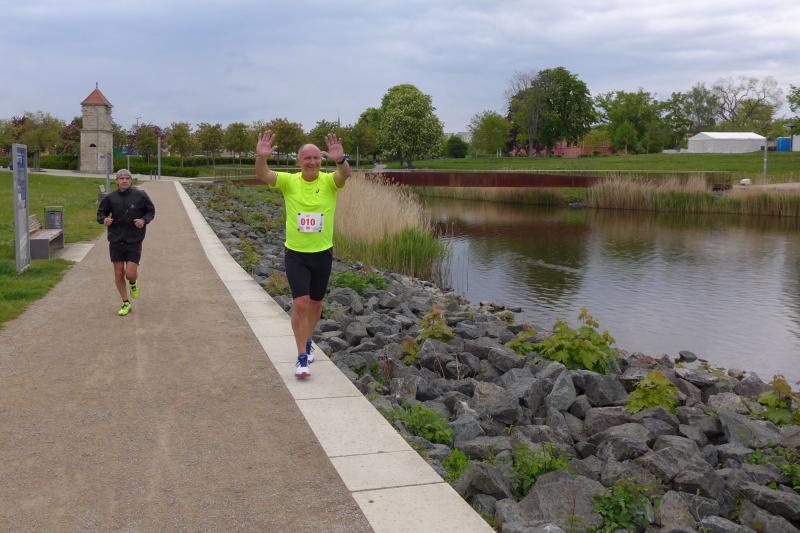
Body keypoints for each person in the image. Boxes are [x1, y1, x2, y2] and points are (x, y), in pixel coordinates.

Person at [255, 131, 351, 379]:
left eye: (316, 158)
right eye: (307, 158)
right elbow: (263, 175)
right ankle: (301, 359)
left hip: (322, 253)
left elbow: (344, 175)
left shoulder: (329, 182)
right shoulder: (289, 181)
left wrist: (341, 160)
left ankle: (308, 340)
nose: (312, 162)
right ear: (298, 161)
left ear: (321, 160)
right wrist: (261, 157)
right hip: (296, 254)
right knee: (300, 303)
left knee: (316, 303)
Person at [96, 169, 156, 316]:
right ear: (117, 181)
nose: (124, 180)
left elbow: (150, 211)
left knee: (129, 274)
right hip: (116, 239)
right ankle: (125, 302)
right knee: (118, 273)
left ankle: (133, 283)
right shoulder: (110, 198)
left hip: (134, 239)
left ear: (131, 180)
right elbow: (100, 214)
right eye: (121, 178)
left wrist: (143, 220)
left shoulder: (140, 195)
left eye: (127, 178)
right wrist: (104, 219)